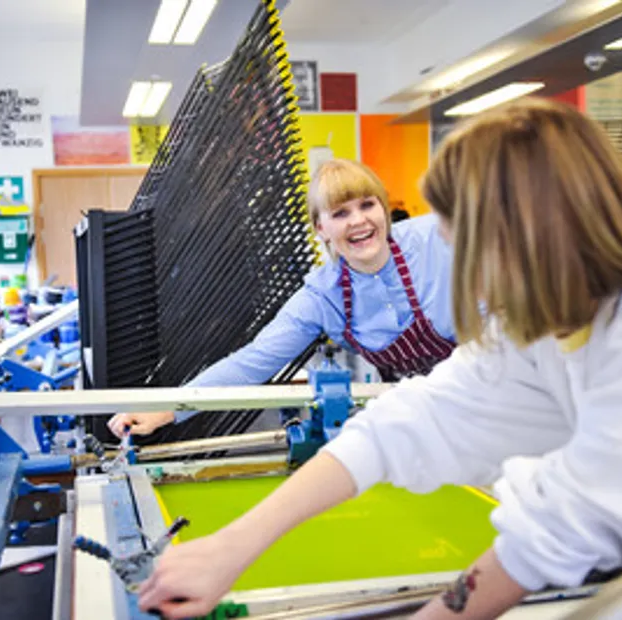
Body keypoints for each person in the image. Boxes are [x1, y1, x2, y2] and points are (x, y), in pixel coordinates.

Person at [135, 98, 622, 619]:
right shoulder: (543, 305)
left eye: (458, 222)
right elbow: (419, 415)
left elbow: (549, 538)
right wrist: (233, 545)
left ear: (533, 220)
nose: (443, 238)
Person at [108, 159, 455, 439]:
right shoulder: (323, 296)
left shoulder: (438, 240)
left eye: (367, 205)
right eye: (340, 213)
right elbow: (252, 361)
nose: (359, 221)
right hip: (419, 418)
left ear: (383, 209)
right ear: (321, 228)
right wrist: (166, 407)